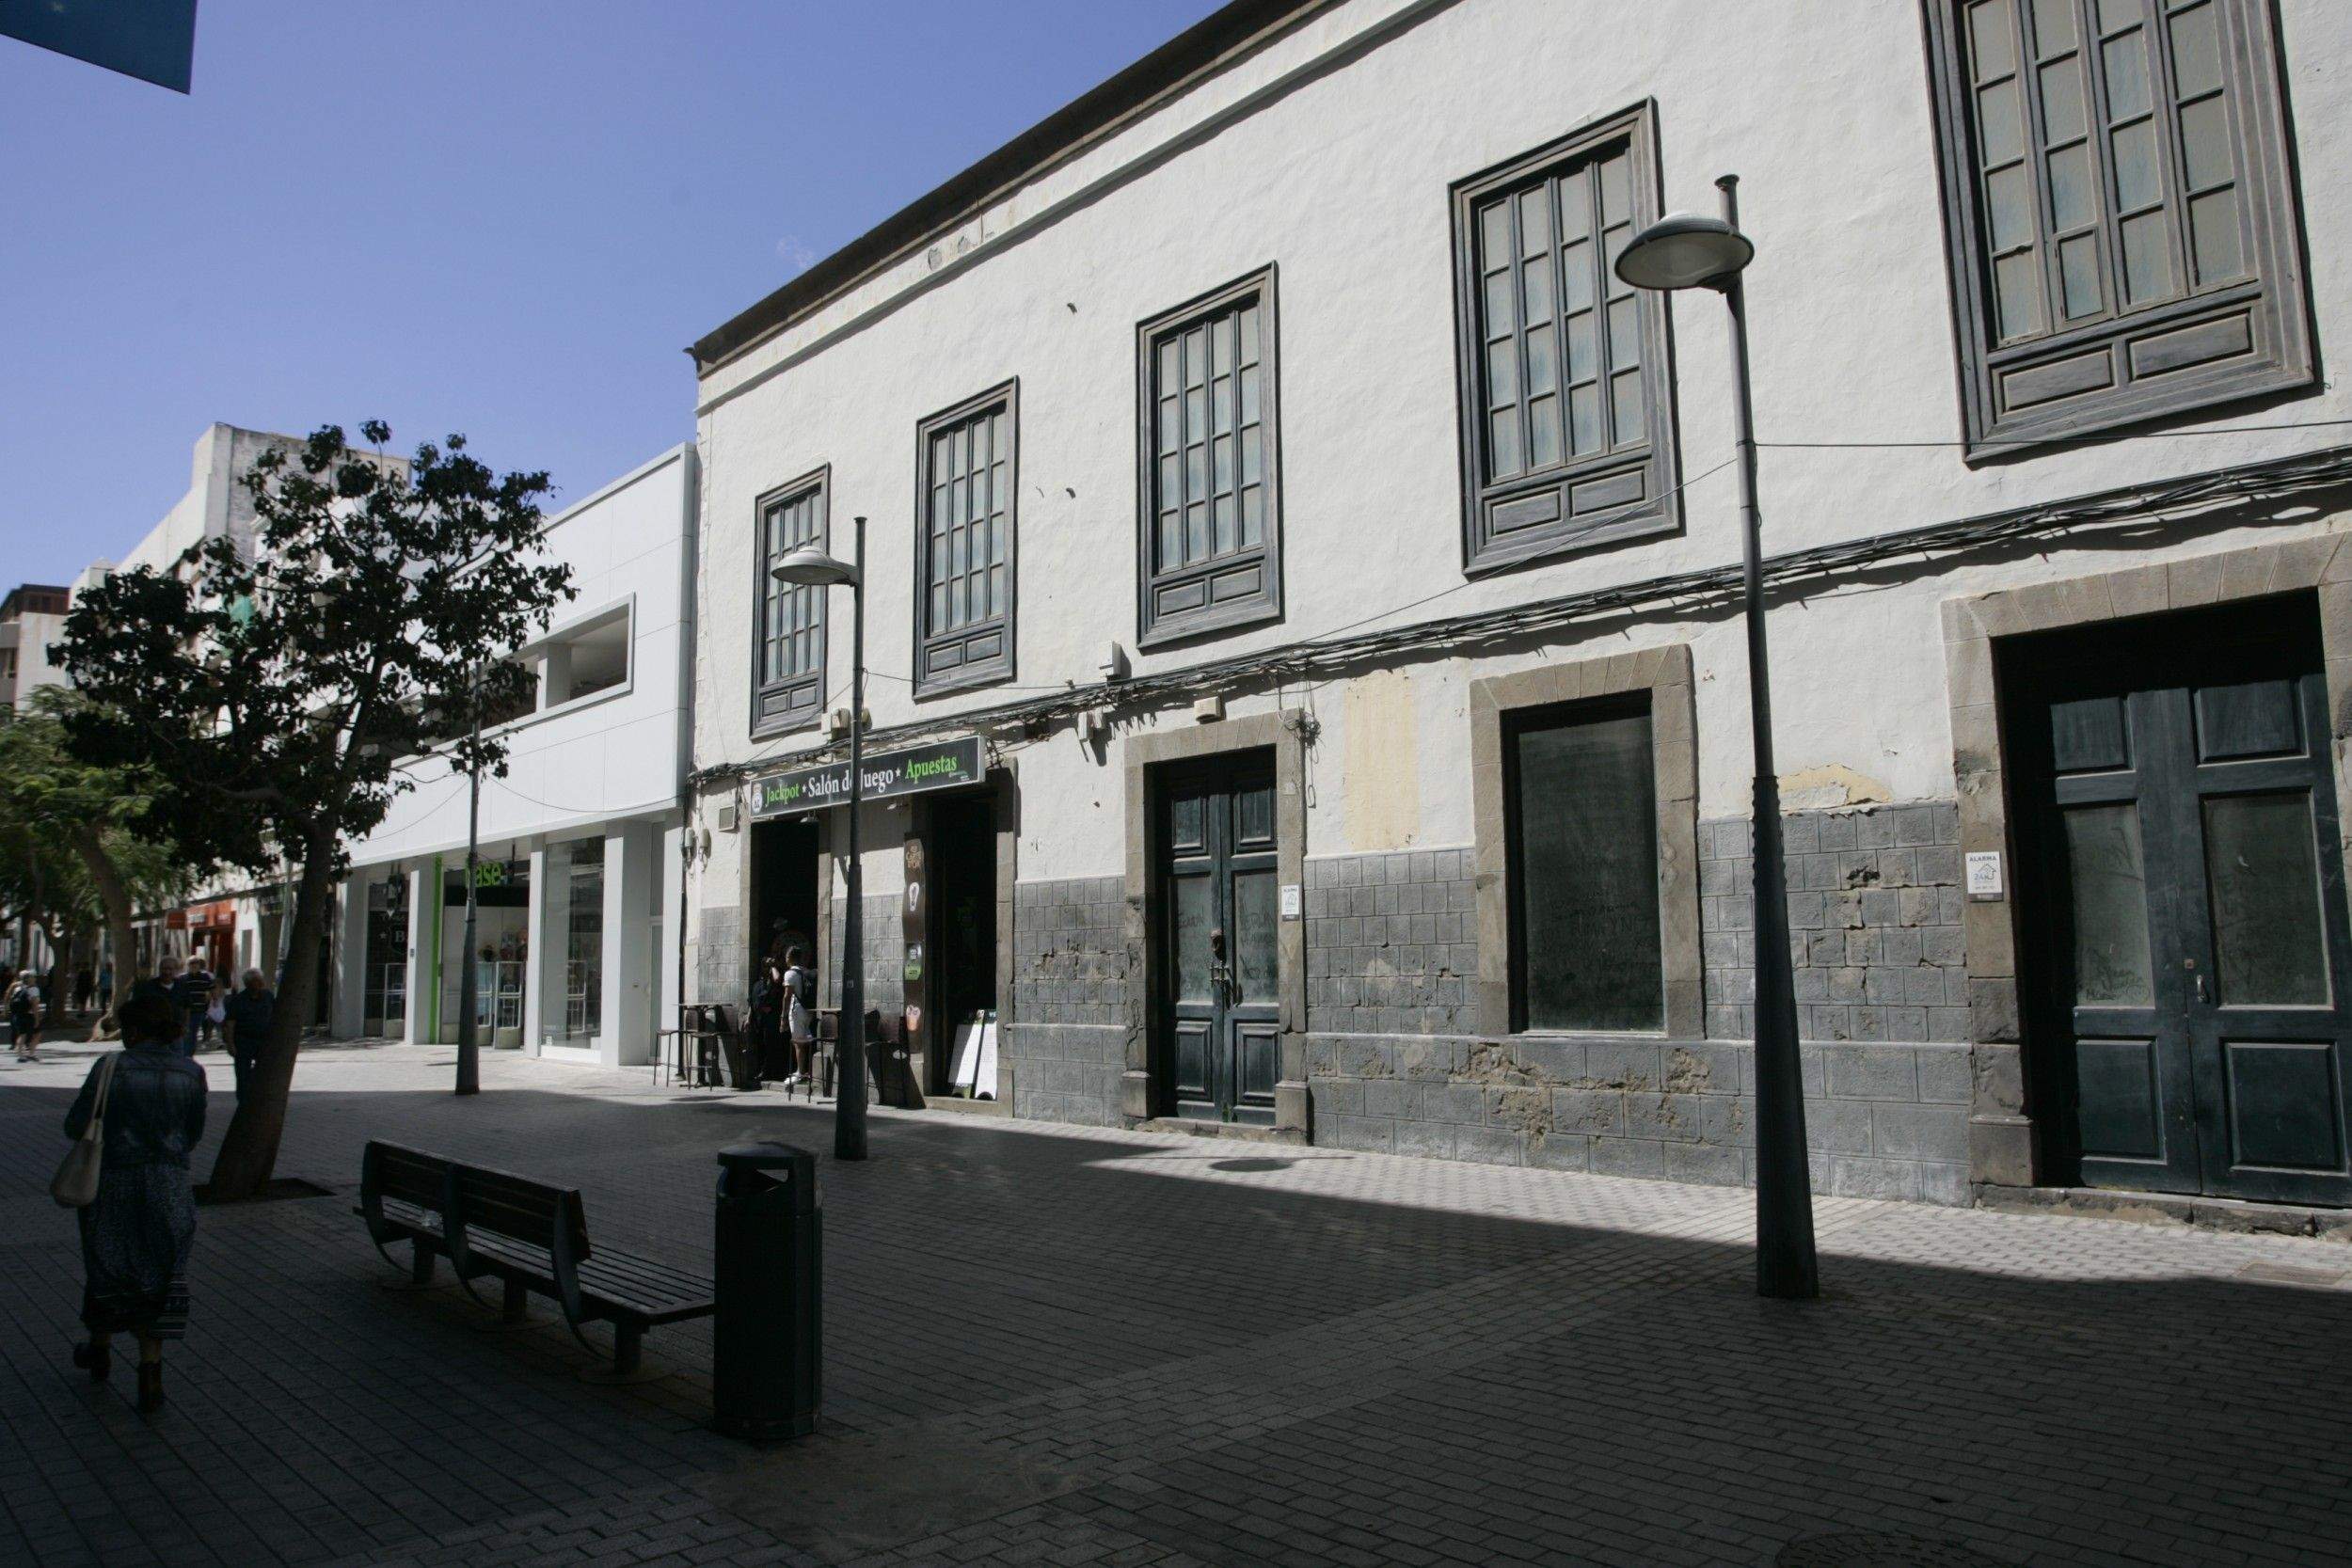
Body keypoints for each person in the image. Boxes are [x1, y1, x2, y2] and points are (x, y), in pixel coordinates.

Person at [64, 991, 206, 1414]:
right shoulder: (191, 1072)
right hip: (169, 1186)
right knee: (158, 1275)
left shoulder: (111, 1067)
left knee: (108, 1265)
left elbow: (76, 1125)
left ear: (137, 1029)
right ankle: (150, 1371)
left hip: (113, 1183)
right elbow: (193, 1134)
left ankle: (100, 1348)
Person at [218, 968, 276, 1106]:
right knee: (242, 1072)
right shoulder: (238, 1000)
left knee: (264, 1071)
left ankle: (260, 1099)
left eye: (261, 980)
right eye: (257, 981)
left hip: (263, 1040)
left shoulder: (268, 996)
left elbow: (275, 1016)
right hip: (243, 1040)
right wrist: (230, 1044)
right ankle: (243, 1101)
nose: (261, 983)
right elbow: (230, 1024)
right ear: (249, 983)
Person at [782, 945, 818, 1090]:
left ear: (790, 957)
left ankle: (800, 1072)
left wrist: (783, 1016)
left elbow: (787, 996)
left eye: (786, 957)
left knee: (798, 1042)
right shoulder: (806, 971)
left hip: (796, 1010)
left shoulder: (790, 974)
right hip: (809, 1010)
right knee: (806, 1039)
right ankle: (805, 1070)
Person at [170, 957, 215, 1057]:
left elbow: (210, 992)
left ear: (199, 965)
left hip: (199, 1010)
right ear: (188, 965)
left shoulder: (205, 977)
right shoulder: (182, 978)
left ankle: (188, 1054)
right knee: (186, 1033)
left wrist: (209, 1004)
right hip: (185, 1010)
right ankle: (185, 1055)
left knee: (192, 1033)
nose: (194, 965)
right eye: (191, 963)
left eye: (196, 963)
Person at [8, 974, 41, 1063]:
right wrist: (37, 1019)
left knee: (22, 1034)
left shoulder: (18, 988)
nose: (35, 978)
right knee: (37, 1034)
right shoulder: (34, 989)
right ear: (30, 980)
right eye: (33, 977)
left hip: (18, 1015)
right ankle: (31, 1054)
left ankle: (20, 1055)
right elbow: (34, 1005)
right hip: (29, 1015)